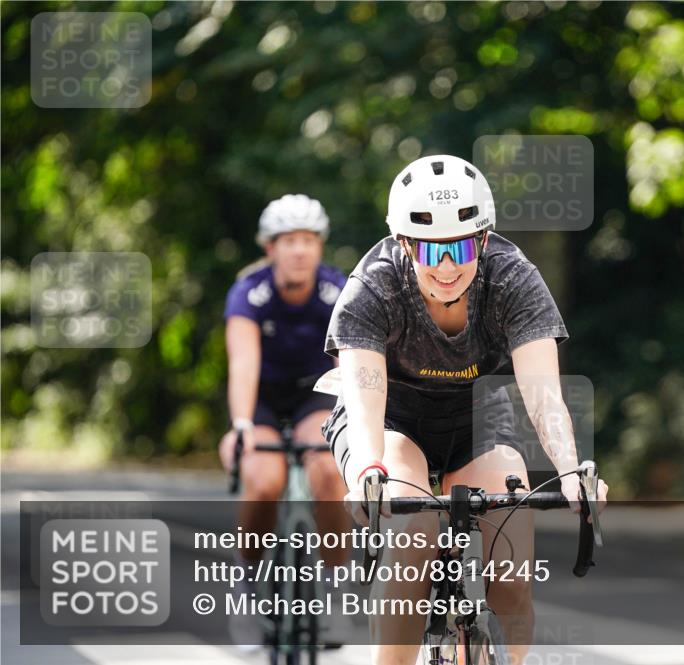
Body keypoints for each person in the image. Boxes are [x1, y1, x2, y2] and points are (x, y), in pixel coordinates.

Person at [321, 155, 609, 664]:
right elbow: (366, 397)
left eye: (461, 246)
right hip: (389, 420)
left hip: (475, 414)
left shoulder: (512, 277)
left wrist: (570, 471)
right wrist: (368, 472)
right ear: (406, 244)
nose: (448, 266)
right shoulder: (372, 286)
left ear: (482, 240)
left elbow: (543, 394)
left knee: (513, 554)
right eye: (432, 249)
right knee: (414, 533)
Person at [219, 194, 352, 645]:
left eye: (309, 240)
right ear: (270, 247)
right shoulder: (249, 293)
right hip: (262, 399)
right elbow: (243, 365)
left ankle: (333, 594)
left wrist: (353, 424)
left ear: (320, 246)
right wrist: (241, 427)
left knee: (330, 469)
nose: (299, 249)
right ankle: (247, 591)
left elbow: (347, 367)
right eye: (289, 240)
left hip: (316, 396)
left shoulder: (337, 292)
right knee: (264, 480)